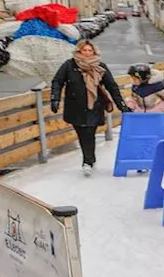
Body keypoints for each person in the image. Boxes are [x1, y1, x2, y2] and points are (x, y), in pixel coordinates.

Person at [49, 39, 129, 176]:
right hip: (75, 107)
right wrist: (55, 98)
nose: (86, 53)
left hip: (94, 106)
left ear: (94, 52)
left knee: (90, 133)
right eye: (84, 50)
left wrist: (121, 104)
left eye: (89, 50)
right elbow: (57, 81)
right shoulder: (69, 65)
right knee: (81, 133)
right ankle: (90, 158)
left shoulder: (99, 66)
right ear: (79, 51)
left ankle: (87, 162)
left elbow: (111, 86)